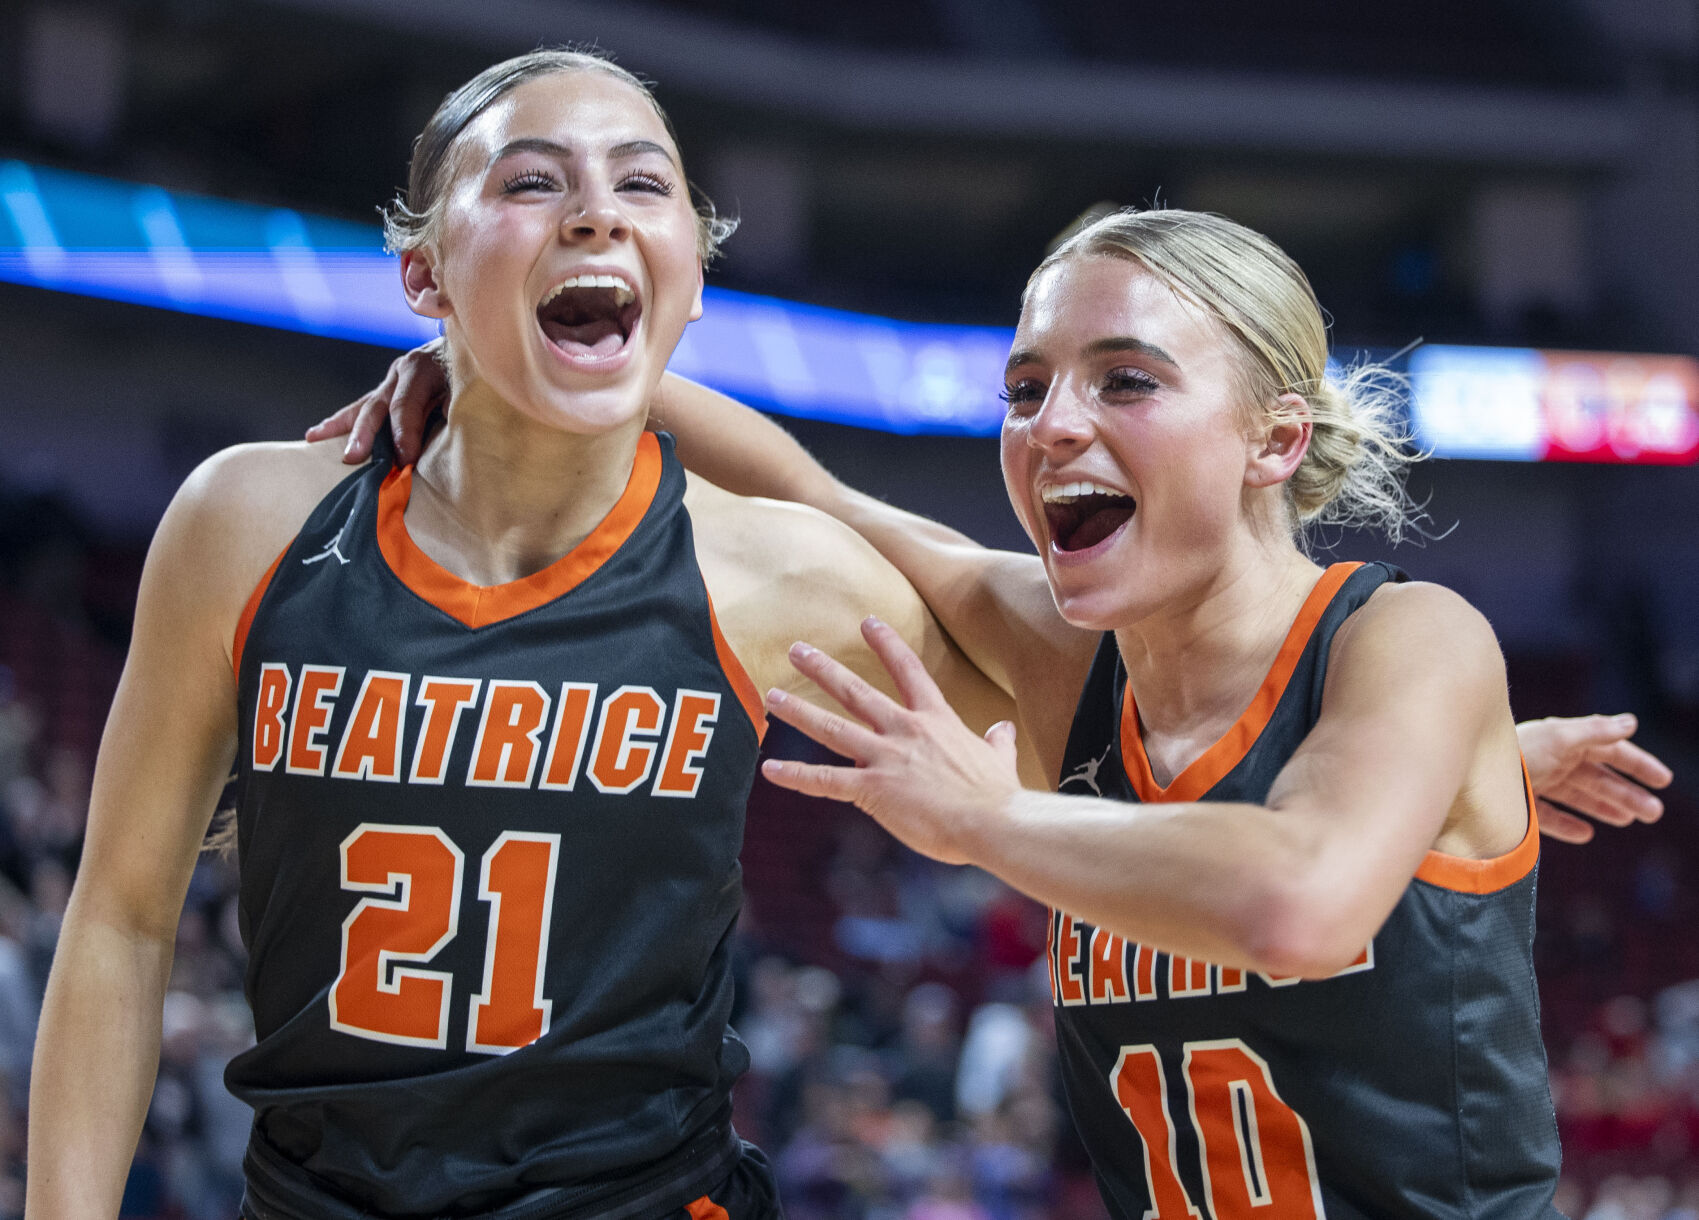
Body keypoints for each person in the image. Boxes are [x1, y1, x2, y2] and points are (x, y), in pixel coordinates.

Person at [329, 208, 1674, 1218]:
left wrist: (988, 819)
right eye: (1026, 389)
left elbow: (1297, 901)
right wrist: (510, 380)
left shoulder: (1407, 636)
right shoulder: (1065, 664)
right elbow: (824, 503)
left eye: (1124, 382)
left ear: (1270, 441)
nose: (1049, 426)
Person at [25, 49, 1013, 1220]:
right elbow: (124, 919)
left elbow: (1067, 751)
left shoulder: (778, 569)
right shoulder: (245, 521)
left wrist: (992, 810)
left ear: (691, 279)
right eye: (533, 181)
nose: (597, 209)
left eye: (645, 186)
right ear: (424, 272)